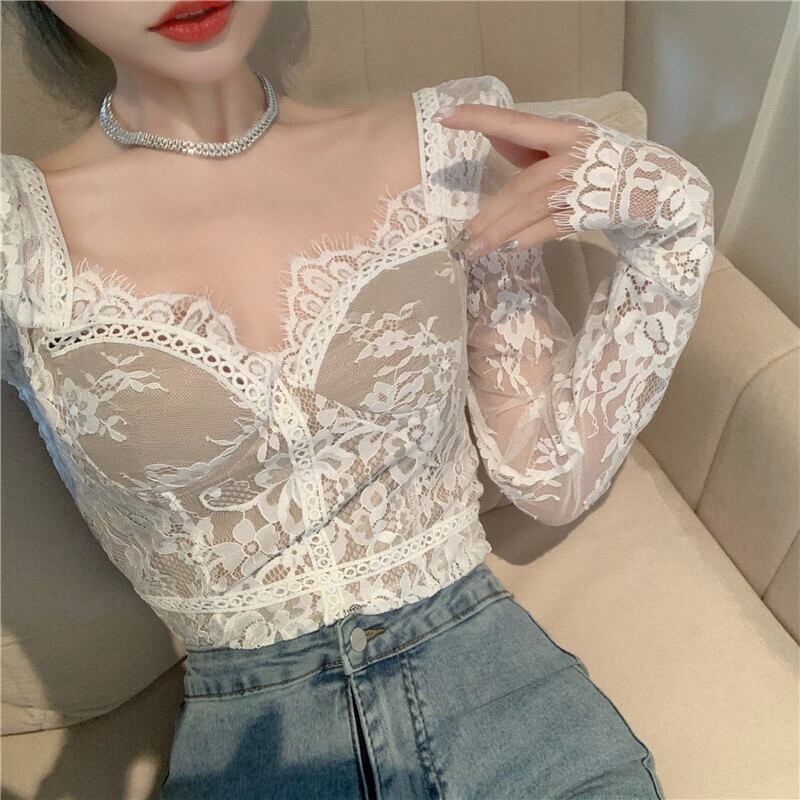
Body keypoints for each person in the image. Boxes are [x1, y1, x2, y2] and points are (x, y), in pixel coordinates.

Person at [1, 2, 715, 798]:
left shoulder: (445, 148)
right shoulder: (16, 235)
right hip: (252, 751)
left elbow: (549, 478)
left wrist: (673, 218)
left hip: (511, 713)